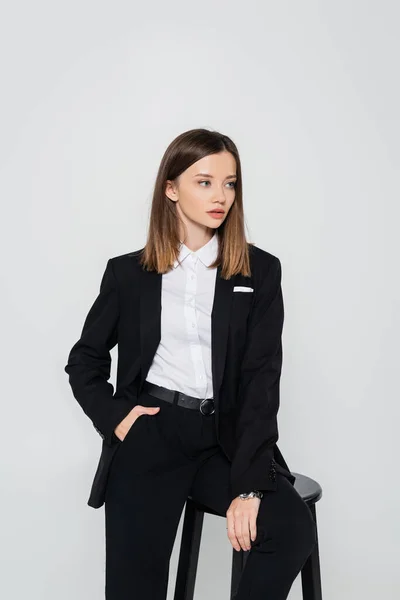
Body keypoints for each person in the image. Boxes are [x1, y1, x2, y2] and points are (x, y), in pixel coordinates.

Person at [64, 128, 317, 599]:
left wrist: (250, 485)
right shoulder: (128, 273)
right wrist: (118, 419)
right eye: (204, 182)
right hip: (151, 434)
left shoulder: (260, 271)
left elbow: (263, 379)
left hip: (222, 439)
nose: (221, 196)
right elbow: (85, 361)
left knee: (289, 528)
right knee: (133, 588)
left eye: (230, 183)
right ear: (171, 189)